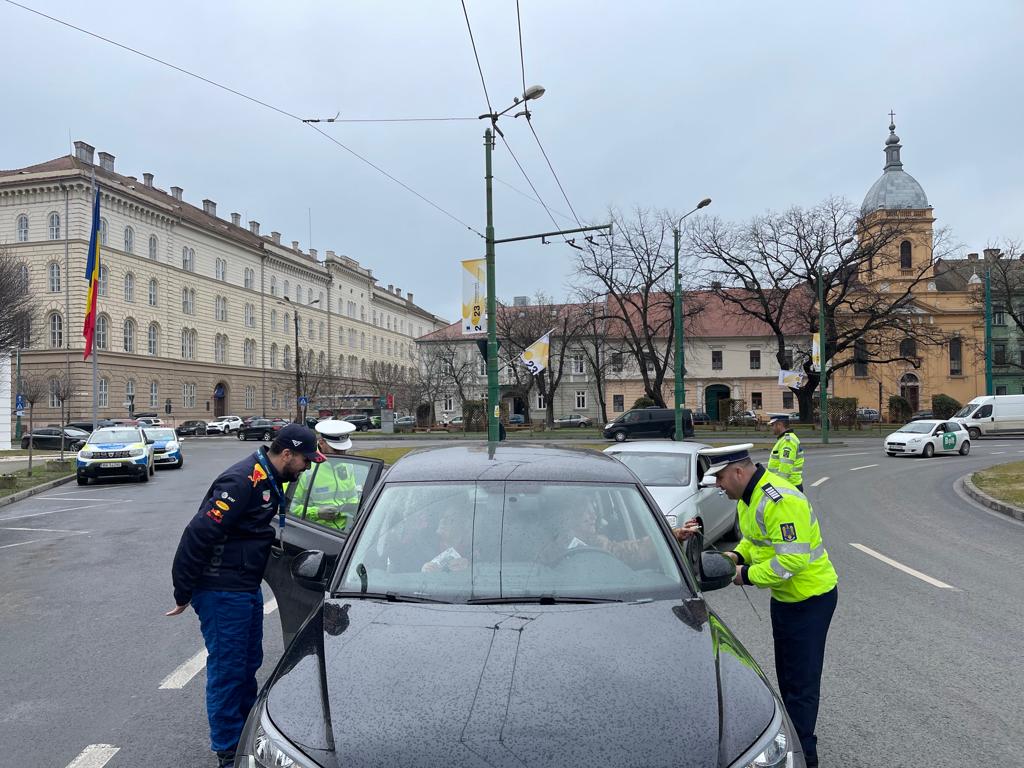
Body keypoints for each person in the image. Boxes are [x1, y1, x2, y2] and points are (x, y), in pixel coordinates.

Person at [166, 424, 324, 767]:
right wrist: (183, 591)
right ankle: (228, 751)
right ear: (287, 455)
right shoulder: (242, 481)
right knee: (228, 672)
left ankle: (244, 737)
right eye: (306, 461)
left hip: (243, 587)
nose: (307, 467)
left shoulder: (267, 477)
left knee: (248, 664)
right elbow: (198, 534)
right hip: (222, 591)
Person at [674, 443, 837, 768]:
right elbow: (754, 540)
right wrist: (733, 556)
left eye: (719, 478)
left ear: (738, 471)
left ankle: (805, 755)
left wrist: (740, 574)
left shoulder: (780, 500)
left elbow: (791, 562)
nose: (717, 486)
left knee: (800, 685)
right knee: (788, 679)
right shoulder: (750, 497)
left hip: (811, 599)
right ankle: (795, 738)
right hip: (787, 599)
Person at [288, 419, 360, 530]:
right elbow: (288, 507)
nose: (342, 455)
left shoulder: (347, 466)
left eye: (344, 450)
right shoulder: (305, 467)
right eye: (336, 450)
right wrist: (316, 513)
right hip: (315, 531)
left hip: (344, 531)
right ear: (321, 443)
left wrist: (352, 508)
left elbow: (352, 497)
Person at [767, 415, 804, 491]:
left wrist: (779, 486)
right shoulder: (784, 439)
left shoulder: (787, 441)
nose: (772, 428)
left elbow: (786, 466)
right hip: (789, 485)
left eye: (773, 425)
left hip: (788, 486)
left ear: (780, 425)